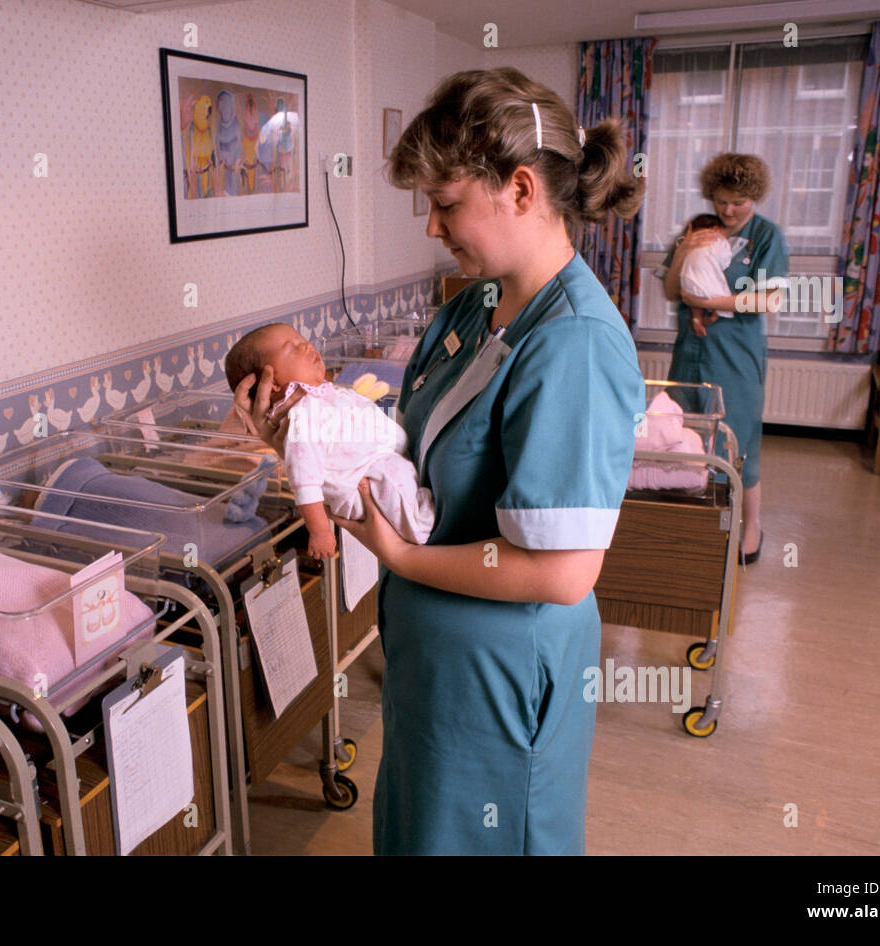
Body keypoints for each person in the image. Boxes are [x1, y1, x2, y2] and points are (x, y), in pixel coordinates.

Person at [233, 68, 644, 855]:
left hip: (501, 672)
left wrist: (397, 555)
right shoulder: (472, 307)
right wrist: (293, 443)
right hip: (435, 660)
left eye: (446, 204)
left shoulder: (576, 345)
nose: (431, 227)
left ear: (522, 190)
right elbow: (400, 474)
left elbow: (561, 573)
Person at [660, 153, 789, 563]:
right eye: (721, 201)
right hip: (691, 352)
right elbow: (669, 289)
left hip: (736, 354)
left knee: (738, 443)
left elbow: (770, 298)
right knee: (684, 439)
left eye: (738, 202)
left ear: (755, 197)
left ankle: (750, 527)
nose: (729, 210)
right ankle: (690, 525)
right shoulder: (700, 228)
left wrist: (708, 300)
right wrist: (685, 249)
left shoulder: (768, 237)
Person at [224, 323, 434, 560]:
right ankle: (423, 525)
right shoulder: (302, 415)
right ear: (272, 382)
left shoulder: (322, 395)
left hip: (376, 463)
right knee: (397, 481)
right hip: (363, 479)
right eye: (291, 347)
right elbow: (305, 481)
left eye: (301, 338)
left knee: (401, 475)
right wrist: (320, 530)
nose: (305, 345)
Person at [676, 212, 734, 331]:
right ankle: (714, 316)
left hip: (686, 277)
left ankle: (696, 317)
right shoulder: (719, 239)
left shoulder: (690, 240)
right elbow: (725, 259)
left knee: (695, 297)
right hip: (704, 275)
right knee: (722, 296)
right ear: (716, 229)